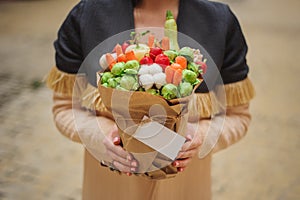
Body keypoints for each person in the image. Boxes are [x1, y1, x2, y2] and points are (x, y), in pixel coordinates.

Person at [46, 0, 255, 199]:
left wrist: (201, 136)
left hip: (186, 189)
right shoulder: (86, 16)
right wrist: (99, 136)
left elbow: (239, 116)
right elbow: (64, 108)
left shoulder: (219, 22)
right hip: (110, 189)